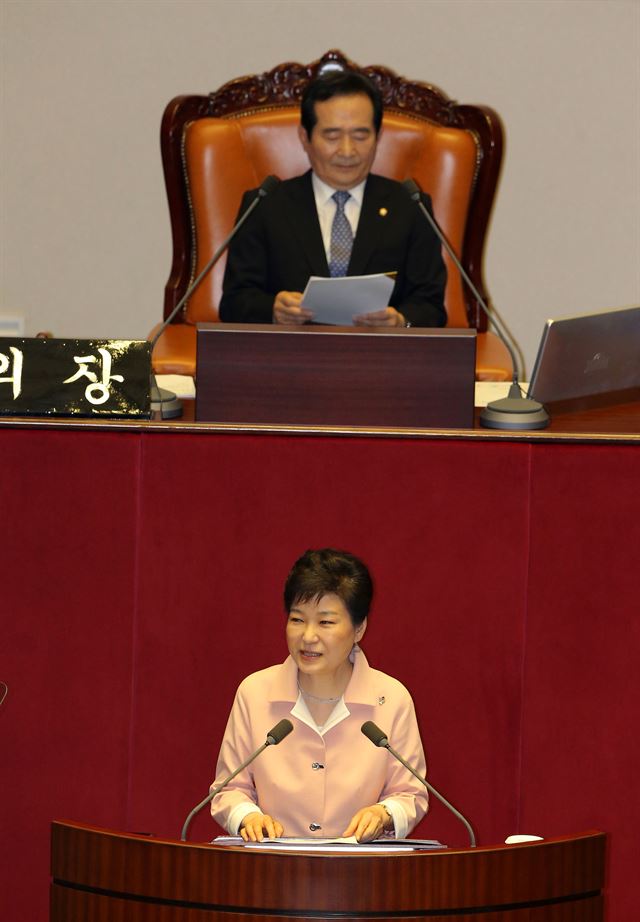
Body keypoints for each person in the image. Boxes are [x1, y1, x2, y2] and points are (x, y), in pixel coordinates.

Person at [210, 548, 429, 842]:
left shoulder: (391, 699)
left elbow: (411, 794)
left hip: (364, 875)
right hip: (271, 870)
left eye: (325, 622)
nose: (308, 636)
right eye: (298, 619)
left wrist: (384, 813)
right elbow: (228, 788)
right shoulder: (255, 693)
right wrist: (247, 817)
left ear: (359, 628)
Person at [218, 70, 447, 329]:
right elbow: (234, 302)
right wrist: (273, 310)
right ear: (305, 138)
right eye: (332, 136)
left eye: (361, 136)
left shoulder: (410, 206)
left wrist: (401, 320)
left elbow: (431, 306)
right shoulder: (265, 205)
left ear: (378, 136)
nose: (347, 151)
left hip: (381, 358)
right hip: (290, 355)